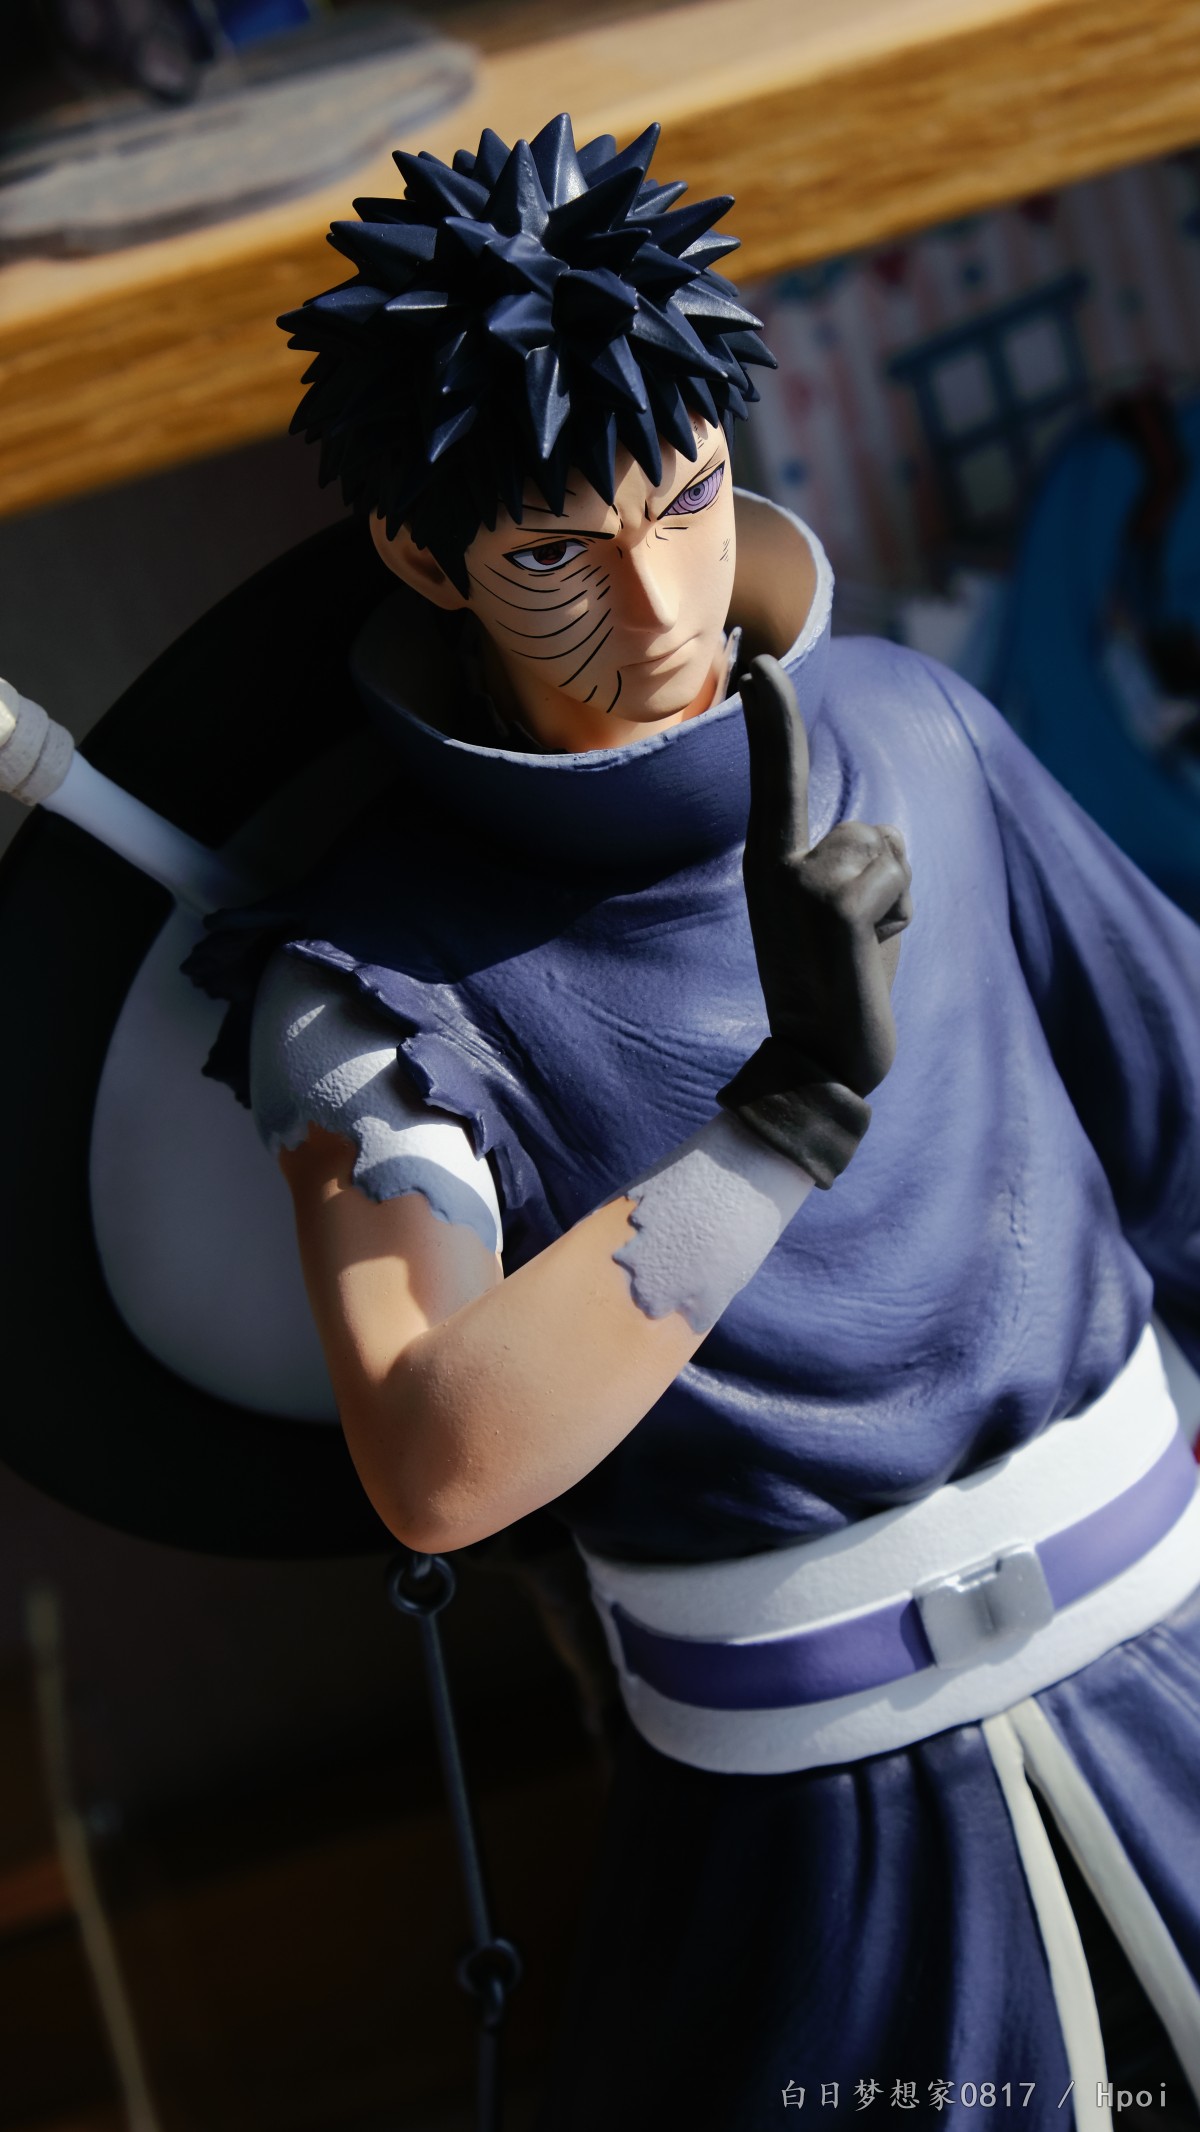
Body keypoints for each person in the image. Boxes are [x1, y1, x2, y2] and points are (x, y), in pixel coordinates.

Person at [188, 115, 1200, 2129]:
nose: (656, 607)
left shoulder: (916, 732)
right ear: (422, 556)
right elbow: (439, 1457)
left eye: (688, 499)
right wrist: (781, 1122)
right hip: (815, 1833)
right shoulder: (375, 981)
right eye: (550, 554)